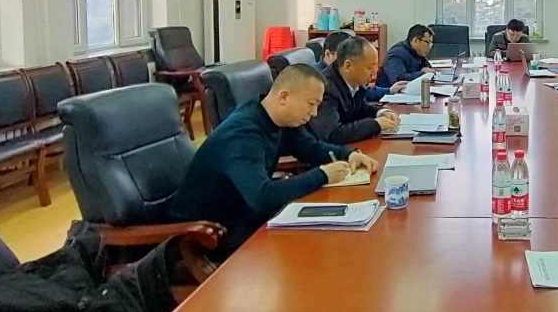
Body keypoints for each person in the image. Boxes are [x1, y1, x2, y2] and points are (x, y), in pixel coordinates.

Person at [169, 64, 379, 254]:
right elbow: (262, 197)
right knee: (313, 250)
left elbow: (311, 148)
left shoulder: (281, 119)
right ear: (284, 97)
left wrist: (348, 154)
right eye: (311, 104)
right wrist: (322, 175)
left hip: (243, 215)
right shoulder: (243, 134)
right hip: (206, 235)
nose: (314, 113)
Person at [312, 37, 401, 144]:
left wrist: (380, 112)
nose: (374, 73)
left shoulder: (354, 82)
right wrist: (375, 125)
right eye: (369, 68)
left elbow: (360, 108)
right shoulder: (326, 89)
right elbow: (333, 134)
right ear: (348, 66)